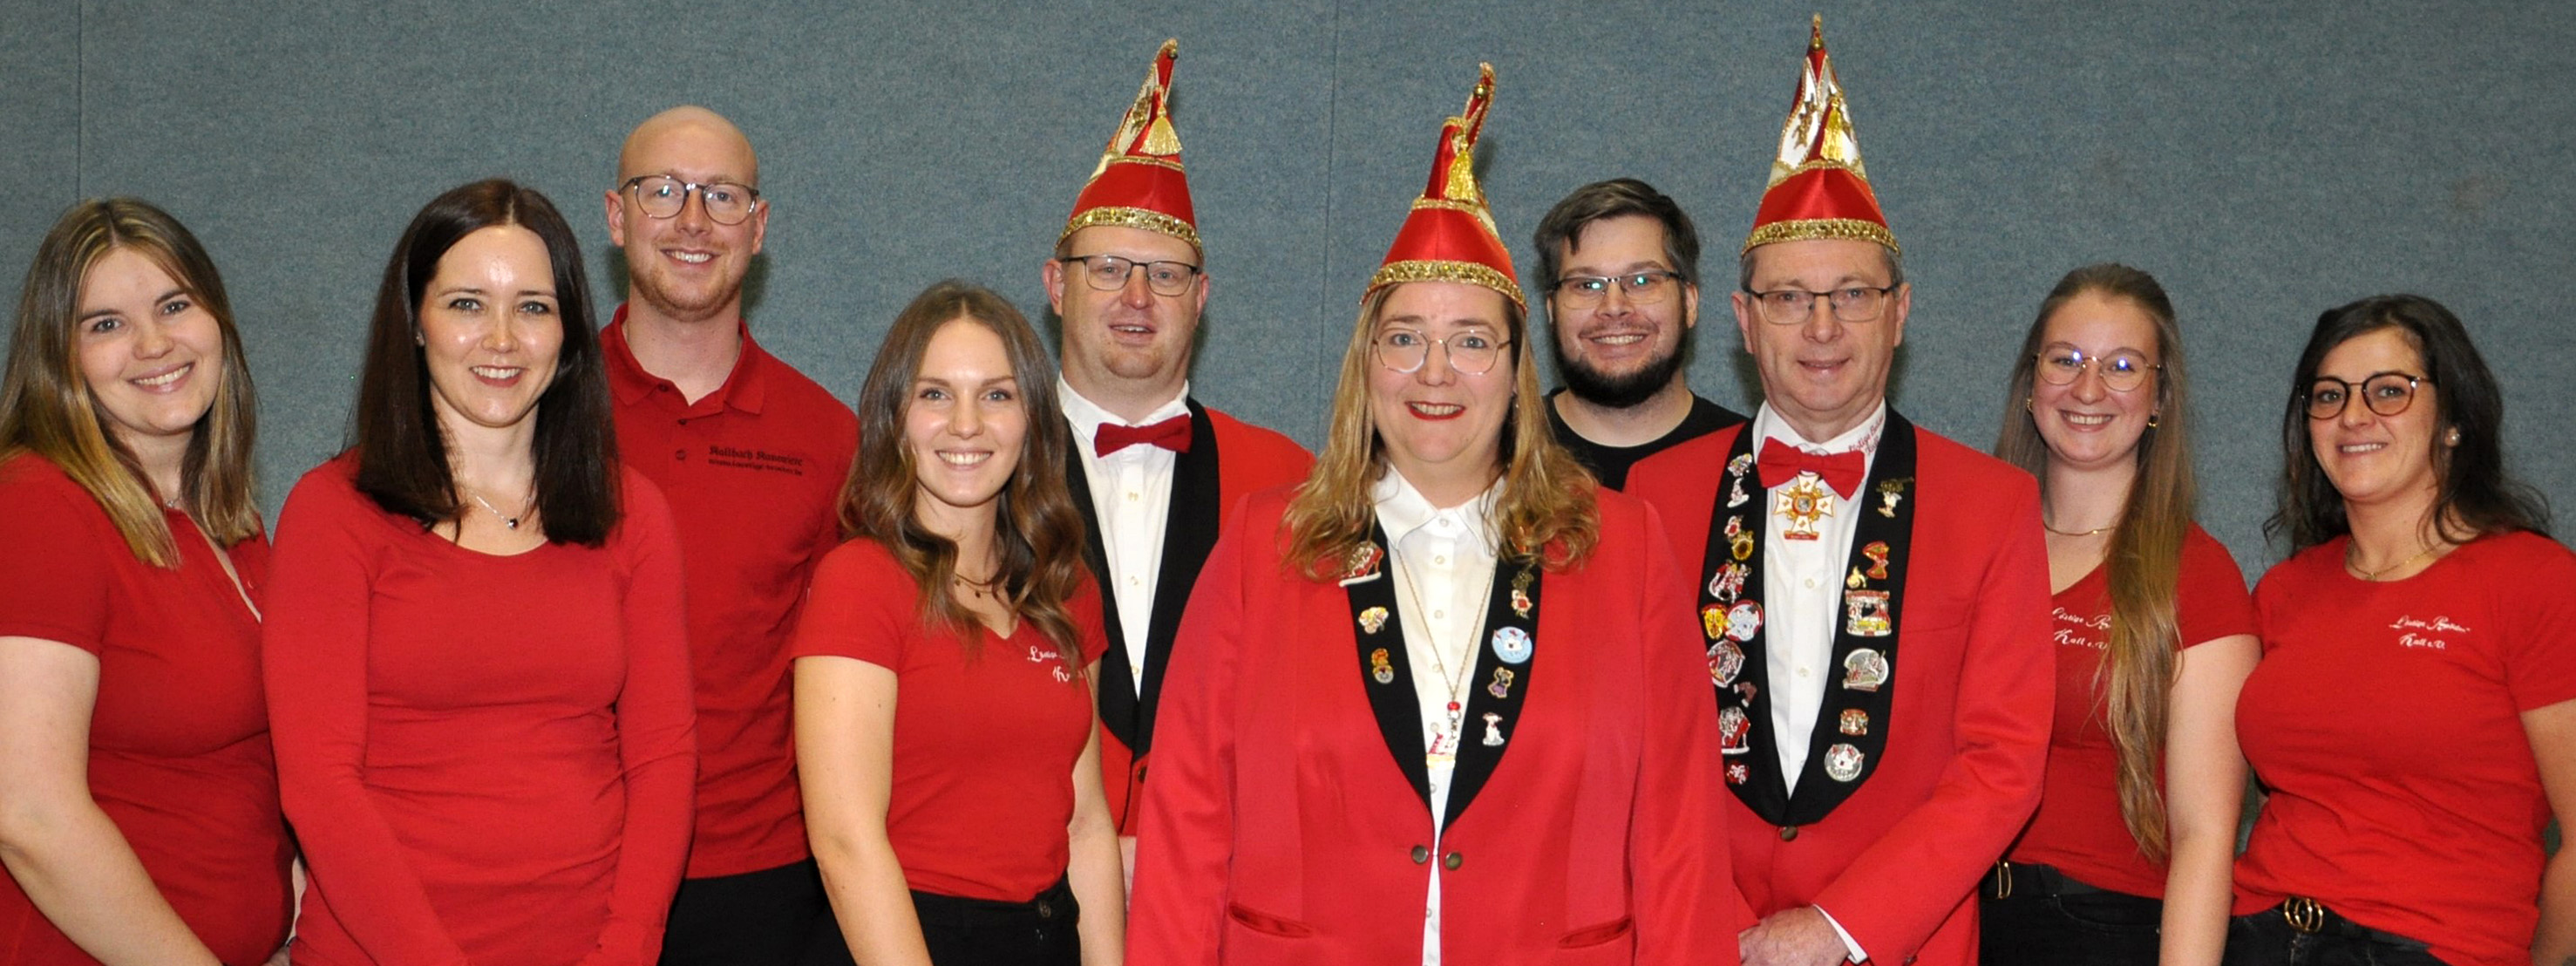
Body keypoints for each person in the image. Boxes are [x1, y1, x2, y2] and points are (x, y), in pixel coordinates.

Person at [1129, 65, 1735, 965]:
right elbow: (1186, 818)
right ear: (1366, 364)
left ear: (1517, 370)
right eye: (1405, 338)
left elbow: (1679, 833)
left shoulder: (1623, 547)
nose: (1436, 371)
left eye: (1471, 340)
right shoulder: (1265, 543)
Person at [1628, 17, 2051, 966]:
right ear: (1742, 321)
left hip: (1898, 941)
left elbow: (2003, 764)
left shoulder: (1992, 505)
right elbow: (1632, 743)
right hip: (1702, 935)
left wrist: (1839, 926)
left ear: (1899, 313)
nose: (1822, 327)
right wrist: (1720, 923)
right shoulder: (1654, 495)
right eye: (1788, 297)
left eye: (1853, 294)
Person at [262, 179, 695, 966]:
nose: (502, 338)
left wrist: (627, 948)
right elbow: (319, 786)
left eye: (532, 307)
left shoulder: (635, 513)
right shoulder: (334, 512)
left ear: (567, 331)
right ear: (415, 321)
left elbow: (662, 759)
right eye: (467, 304)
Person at [2226, 295, 2574, 966]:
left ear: (2453, 422)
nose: (2352, 415)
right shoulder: (2283, 592)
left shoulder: (2535, 581)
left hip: (2435, 946)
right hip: (2258, 936)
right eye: (2328, 395)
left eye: (2389, 390)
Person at [792, 281, 1123, 965]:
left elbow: (1087, 822)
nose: (965, 424)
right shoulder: (860, 582)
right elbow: (845, 841)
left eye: (996, 395)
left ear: (1032, 419)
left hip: (1045, 935)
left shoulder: (1065, 588)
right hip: (903, 936)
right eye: (935, 394)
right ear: (895, 416)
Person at [599, 105, 860, 964]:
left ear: (759, 227)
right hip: (571, 858)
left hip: (761, 878)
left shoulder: (827, 437)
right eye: (662, 191)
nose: (693, 220)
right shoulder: (539, 410)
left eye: (722, 196)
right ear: (616, 215)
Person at [0, 199, 291, 965]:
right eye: (106, 324)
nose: (154, 344)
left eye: (174, 305)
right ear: (59, 357)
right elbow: (27, 813)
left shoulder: (229, 521)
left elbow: (248, 777)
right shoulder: (39, 506)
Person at [1042, 39, 1314, 856]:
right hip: (1021, 889)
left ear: (1201, 298)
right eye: (1107, 268)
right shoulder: (979, 464)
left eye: (1165, 275)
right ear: (1055, 285)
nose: (1136, 297)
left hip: (1218, 880)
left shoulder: (1290, 480)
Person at [1980, 265, 2258, 966]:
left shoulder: (2197, 575)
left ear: (2159, 397)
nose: (2088, 388)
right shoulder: (1972, 546)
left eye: (2123, 366)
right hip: (1955, 920)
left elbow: (2203, 836)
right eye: (2065, 359)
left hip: (2101, 931)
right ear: (2029, 383)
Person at [1530, 178, 1745, 489]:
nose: (1614, 306)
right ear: (1551, 310)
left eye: (1642, 281)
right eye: (1587, 285)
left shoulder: (1750, 463)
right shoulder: (1495, 457)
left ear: (1689, 303)